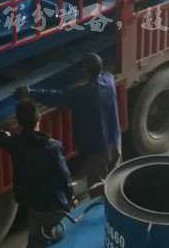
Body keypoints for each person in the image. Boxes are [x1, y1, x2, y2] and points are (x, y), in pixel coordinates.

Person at [21, 53, 121, 198]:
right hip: (115, 140)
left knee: (98, 186)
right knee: (115, 178)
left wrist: (32, 93)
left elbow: (60, 97)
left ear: (85, 70)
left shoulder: (84, 93)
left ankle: (101, 208)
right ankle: (117, 201)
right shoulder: (109, 79)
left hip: (98, 148)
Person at [0, 100, 74, 248]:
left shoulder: (15, 142)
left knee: (37, 237)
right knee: (50, 237)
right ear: (39, 118)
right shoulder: (53, 147)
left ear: (19, 122)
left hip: (33, 203)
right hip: (54, 203)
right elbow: (64, 176)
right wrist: (70, 196)